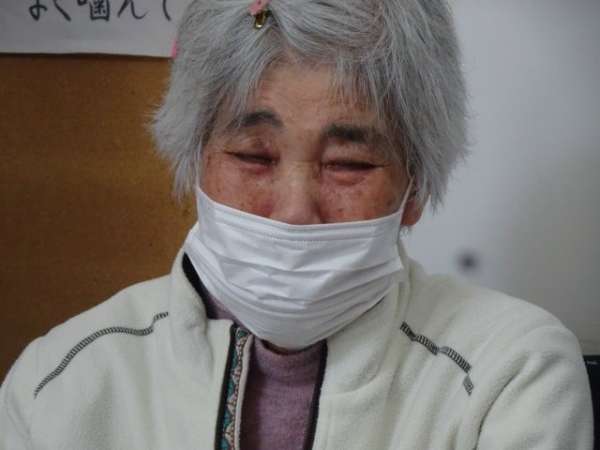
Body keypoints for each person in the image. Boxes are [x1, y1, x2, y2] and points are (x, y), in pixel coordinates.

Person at [0, 0, 594, 448]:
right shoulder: (62, 383)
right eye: (253, 156)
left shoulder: (508, 376)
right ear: (193, 162)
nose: (294, 210)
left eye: (348, 164)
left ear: (415, 189)